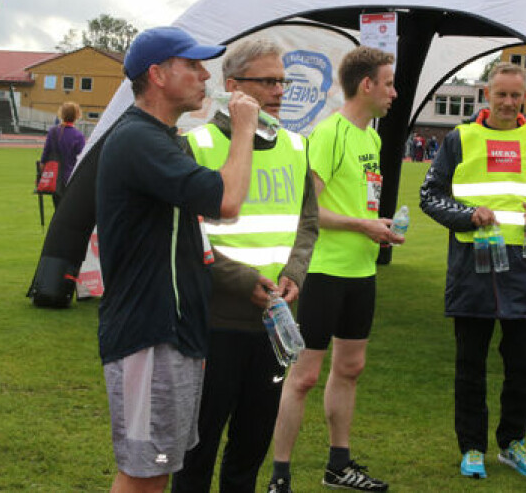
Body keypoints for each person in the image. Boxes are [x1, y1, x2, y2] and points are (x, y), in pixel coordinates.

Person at [96, 26, 260, 493]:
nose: (204, 75)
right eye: (192, 65)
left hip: (174, 332)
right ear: (157, 74)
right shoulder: (137, 140)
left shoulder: (162, 139)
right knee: (144, 472)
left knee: (158, 468)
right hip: (149, 334)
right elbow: (227, 201)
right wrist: (244, 128)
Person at [172, 39, 319, 493]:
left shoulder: (296, 146)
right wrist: (240, 280)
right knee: (196, 452)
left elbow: (306, 222)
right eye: (268, 81)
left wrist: (294, 273)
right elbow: (184, 236)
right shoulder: (193, 145)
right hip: (213, 323)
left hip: (272, 326)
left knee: (250, 452)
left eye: (283, 80)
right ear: (232, 86)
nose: (279, 91)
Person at [267, 46, 404, 493]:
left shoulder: (373, 138)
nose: (394, 93)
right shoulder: (329, 134)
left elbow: (354, 202)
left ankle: (338, 466)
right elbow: (308, 211)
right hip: (324, 272)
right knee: (304, 376)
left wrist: (377, 226)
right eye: (388, 83)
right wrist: (360, 224)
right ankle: (280, 476)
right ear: (367, 85)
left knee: (351, 368)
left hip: (361, 273)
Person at [419, 62, 526, 481]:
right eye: (501, 94)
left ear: (525, 97)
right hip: (473, 269)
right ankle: (472, 447)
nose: (508, 102)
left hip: (522, 269)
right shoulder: (459, 139)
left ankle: (513, 442)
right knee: (471, 366)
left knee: (523, 367)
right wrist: (468, 215)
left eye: (516, 95)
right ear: (486, 94)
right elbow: (430, 196)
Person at [39, 101, 86, 208]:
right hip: (71, 179)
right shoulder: (78, 136)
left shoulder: (53, 132)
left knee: (57, 210)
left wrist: (41, 176)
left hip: (55, 178)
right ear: (77, 116)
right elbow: (81, 159)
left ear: (62, 114)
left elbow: (45, 156)